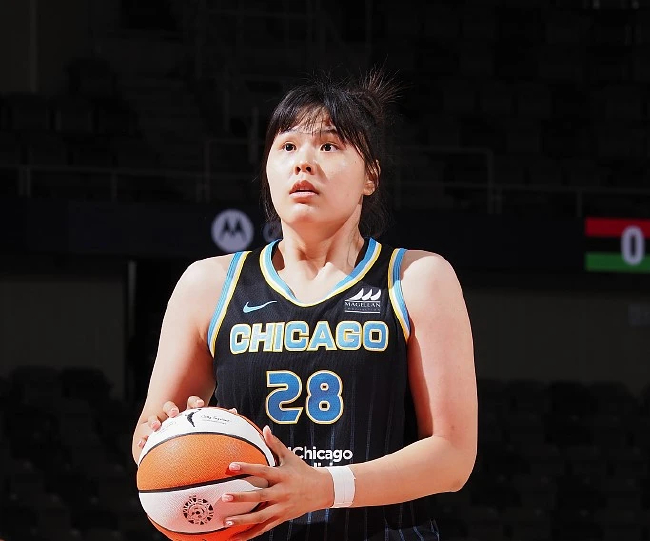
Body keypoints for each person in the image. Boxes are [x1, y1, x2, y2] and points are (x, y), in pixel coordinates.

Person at [132, 69, 477, 541]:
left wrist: (324, 488)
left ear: (370, 175)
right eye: (288, 146)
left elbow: (453, 457)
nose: (304, 163)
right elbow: (147, 441)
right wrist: (167, 435)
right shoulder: (207, 284)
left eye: (329, 146)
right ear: (267, 170)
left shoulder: (417, 278)